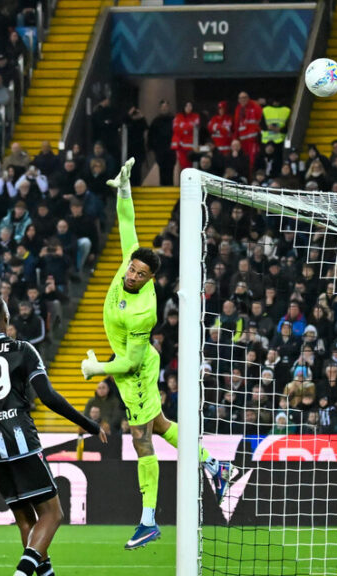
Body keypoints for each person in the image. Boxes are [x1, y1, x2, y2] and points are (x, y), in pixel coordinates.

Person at [79, 158, 236, 549]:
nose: (131, 276)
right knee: (162, 426)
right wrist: (125, 189)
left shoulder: (144, 310)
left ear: (151, 279)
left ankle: (148, 520)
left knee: (141, 439)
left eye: (139, 274)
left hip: (134, 372)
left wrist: (96, 367)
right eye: (131, 270)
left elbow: (132, 362)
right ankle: (215, 465)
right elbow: (127, 222)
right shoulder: (130, 262)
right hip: (132, 364)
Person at [0, 293, 105, 576]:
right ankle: (22, 573)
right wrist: (89, 424)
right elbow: (49, 397)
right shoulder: (22, 349)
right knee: (52, 514)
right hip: (20, 440)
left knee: (25, 520)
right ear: (4, 317)